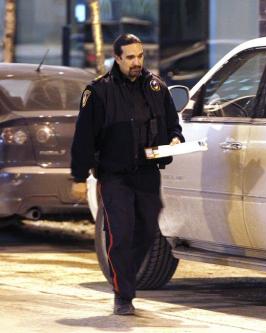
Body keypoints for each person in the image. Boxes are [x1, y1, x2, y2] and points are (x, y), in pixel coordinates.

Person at [70, 34, 184, 315]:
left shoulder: (157, 88)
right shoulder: (98, 92)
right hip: (114, 176)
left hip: (147, 174)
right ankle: (123, 295)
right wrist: (78, 177)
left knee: (146, 230)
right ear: (117, 58)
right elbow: (83, 138)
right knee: (120, 235)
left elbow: (173, 126)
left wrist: (176, 140)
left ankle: (125, 276)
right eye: (130, 57)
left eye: (140, 56)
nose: (136, 62)